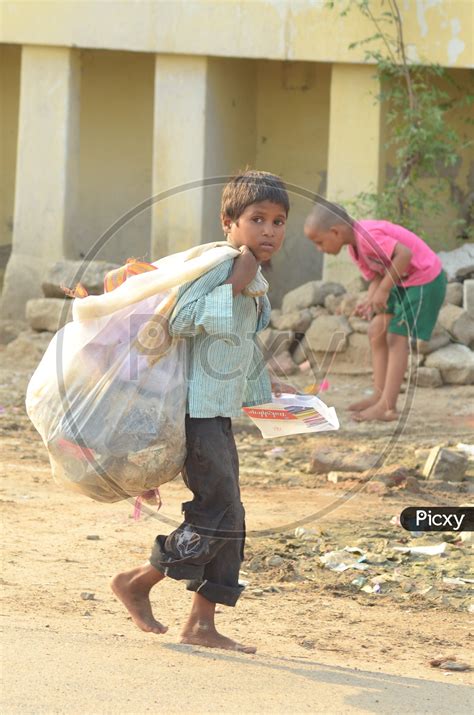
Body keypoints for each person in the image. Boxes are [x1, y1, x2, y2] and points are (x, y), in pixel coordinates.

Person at [111, 170, 294, 653]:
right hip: (192, 412)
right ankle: (140, 580)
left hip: (218, 411)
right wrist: (234, 283)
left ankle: (202, 623)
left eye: (278, 221)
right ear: (229, 222)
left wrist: (270, 392)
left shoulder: (252, 272)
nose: (270, 230)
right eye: (257, 219)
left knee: (230, 515)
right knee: (218, 512)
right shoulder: (225, 265)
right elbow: (178, 320)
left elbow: (236, 345)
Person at [304, 201, 447, 422]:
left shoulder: (367, 236)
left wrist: (383, 289)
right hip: (402, 282)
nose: (319, 249)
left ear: (335, 232)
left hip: (423, 280)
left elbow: (404, 255)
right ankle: (378, 396)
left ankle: (387, 407)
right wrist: (370, 298)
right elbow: (378, 275)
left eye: (319, 242)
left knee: (395, 337)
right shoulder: (355, 249)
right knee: (376, 328)